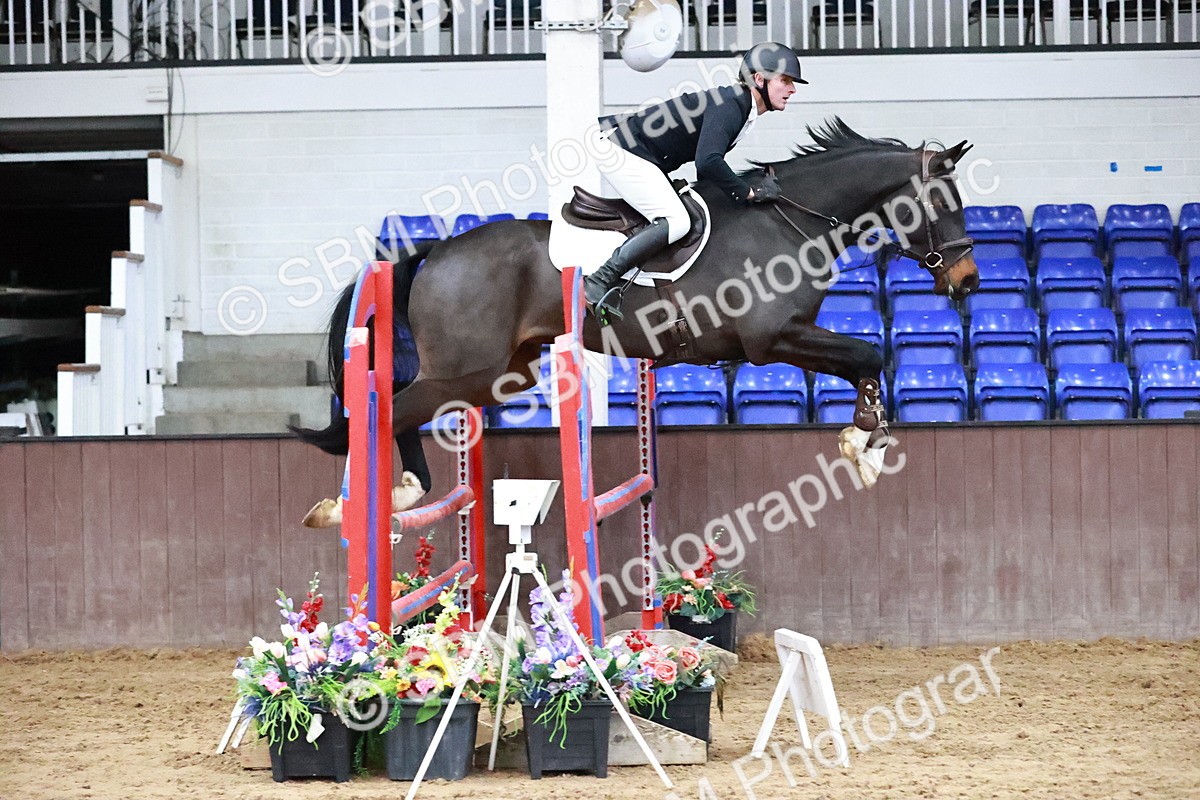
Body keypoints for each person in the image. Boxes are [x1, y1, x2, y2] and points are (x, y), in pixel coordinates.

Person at [583, 41, 806, 322]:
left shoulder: (741, 107)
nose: (792, 89)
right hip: (620, 148)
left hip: (639, 151)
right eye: (785, 80)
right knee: (676, 221)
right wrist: (748, 192)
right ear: (760, 79)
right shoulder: (732, 104)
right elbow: (708, 162)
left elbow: (708, 170)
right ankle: (598, 281)